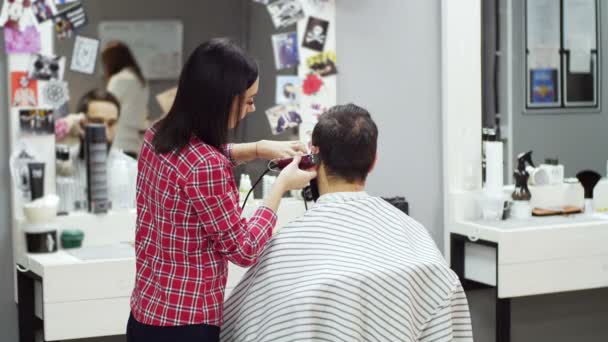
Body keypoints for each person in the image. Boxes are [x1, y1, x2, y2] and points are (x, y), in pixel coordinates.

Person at [221, 104, 473, 342]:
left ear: (314, 157)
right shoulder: (414, 237)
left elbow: (238, 327)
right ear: (374, 161)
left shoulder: (288, 249)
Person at [128, 38, 316, 342]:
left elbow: (191, 162)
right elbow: (243, 249)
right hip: (186, 327)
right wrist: (280, 187)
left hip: (144, 316)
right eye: (250, 100)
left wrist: (256, 149)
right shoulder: (206, 166)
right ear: (222, 100)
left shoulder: (155, 135)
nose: (253, 108)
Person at [55, 89, 137, 211]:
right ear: (81, 122)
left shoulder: (131, 169)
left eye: (111, 123)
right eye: (97, 122)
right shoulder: (59, 164)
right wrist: (65, 127)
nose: (104, 132)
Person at [102, 41, 150, 158]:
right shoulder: (141, 81)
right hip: (134, 143)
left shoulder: (119, 79)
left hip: (118, 141)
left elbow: (107, 108)